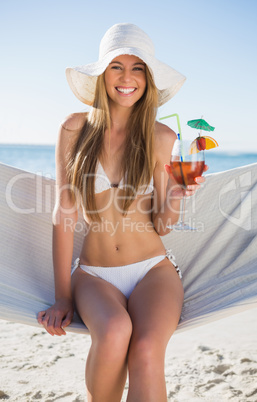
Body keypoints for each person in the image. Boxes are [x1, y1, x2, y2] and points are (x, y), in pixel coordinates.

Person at [38, 23, 205, 401]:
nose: (127, 78)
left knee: (146, 351)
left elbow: (162, 224)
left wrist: (176, 196)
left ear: (148, 78)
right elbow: (64, 212)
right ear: (102, 74)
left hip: (153, 270)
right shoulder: (74, 128)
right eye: (116, 66)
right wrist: (63, 297)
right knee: (113, 333)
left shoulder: (163, 137)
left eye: (138, 68)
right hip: (95, 274)